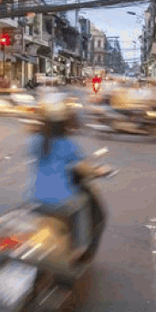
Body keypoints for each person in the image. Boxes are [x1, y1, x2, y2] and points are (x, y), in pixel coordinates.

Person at [29, 94, 92, 255]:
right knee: (82, 206)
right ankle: (77, 249)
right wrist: (98, 171)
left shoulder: (37, 141)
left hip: (36, 198)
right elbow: (84, 169)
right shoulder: (68, 145)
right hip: (62, 201)